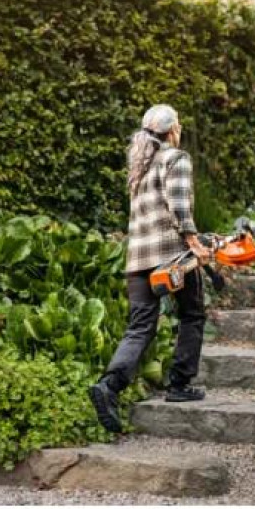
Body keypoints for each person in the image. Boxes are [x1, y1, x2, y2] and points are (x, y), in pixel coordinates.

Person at [88, 104, 209, 433]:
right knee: (192, 313)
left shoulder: (139, 164)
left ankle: (109, 387)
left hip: (138, 259)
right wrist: (194, 242)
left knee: (140, 327)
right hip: (172, 257)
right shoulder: (176, 158)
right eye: (178, 125)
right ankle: (179, 384)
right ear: (173, 130)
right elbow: (179, 207)